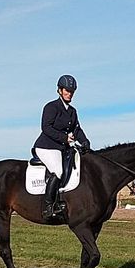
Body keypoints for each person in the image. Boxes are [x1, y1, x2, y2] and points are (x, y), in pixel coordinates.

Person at [33, 74, 90, 220]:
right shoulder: (51, 107)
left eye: (72, 91)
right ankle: (48, 207)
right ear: (59, 90)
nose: (69, 94)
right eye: (67, 91)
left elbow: (77, 130)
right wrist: (64, 138)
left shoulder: (72, 111)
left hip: (61, 148)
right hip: (46, 146)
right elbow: (46, 127)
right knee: (58, 170)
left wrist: (85, 141)